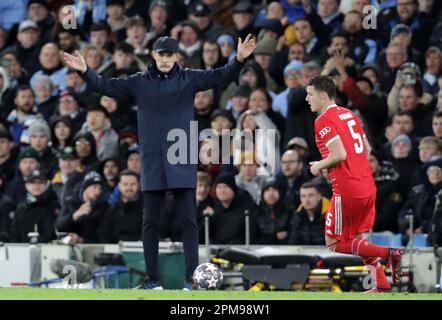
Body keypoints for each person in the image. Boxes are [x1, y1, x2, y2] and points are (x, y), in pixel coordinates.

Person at [63, 34, 256, 290]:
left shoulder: (189, 78)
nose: (165, 59)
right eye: (161, 54)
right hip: (153, 160)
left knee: (188, 221)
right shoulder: (139, 82)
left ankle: (191, 280)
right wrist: (85, 71)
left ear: (176, 56)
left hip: (182, 158)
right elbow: (105, 86)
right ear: (153, 55)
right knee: (149, 223)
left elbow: (221, 76)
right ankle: (152, 280)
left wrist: (239, 59)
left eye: (169, 54)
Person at [305, 75, 402, 293]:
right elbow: (367, 151)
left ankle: (389, 254)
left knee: (333, 242)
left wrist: (319, 165)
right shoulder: (349, 114)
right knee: (357, 240)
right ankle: (381, 286)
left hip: (347, 188)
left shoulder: (322, 120)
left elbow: (339, 153)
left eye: (310, 94)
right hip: (367, 185)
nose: (306, 98)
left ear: (323, 95)